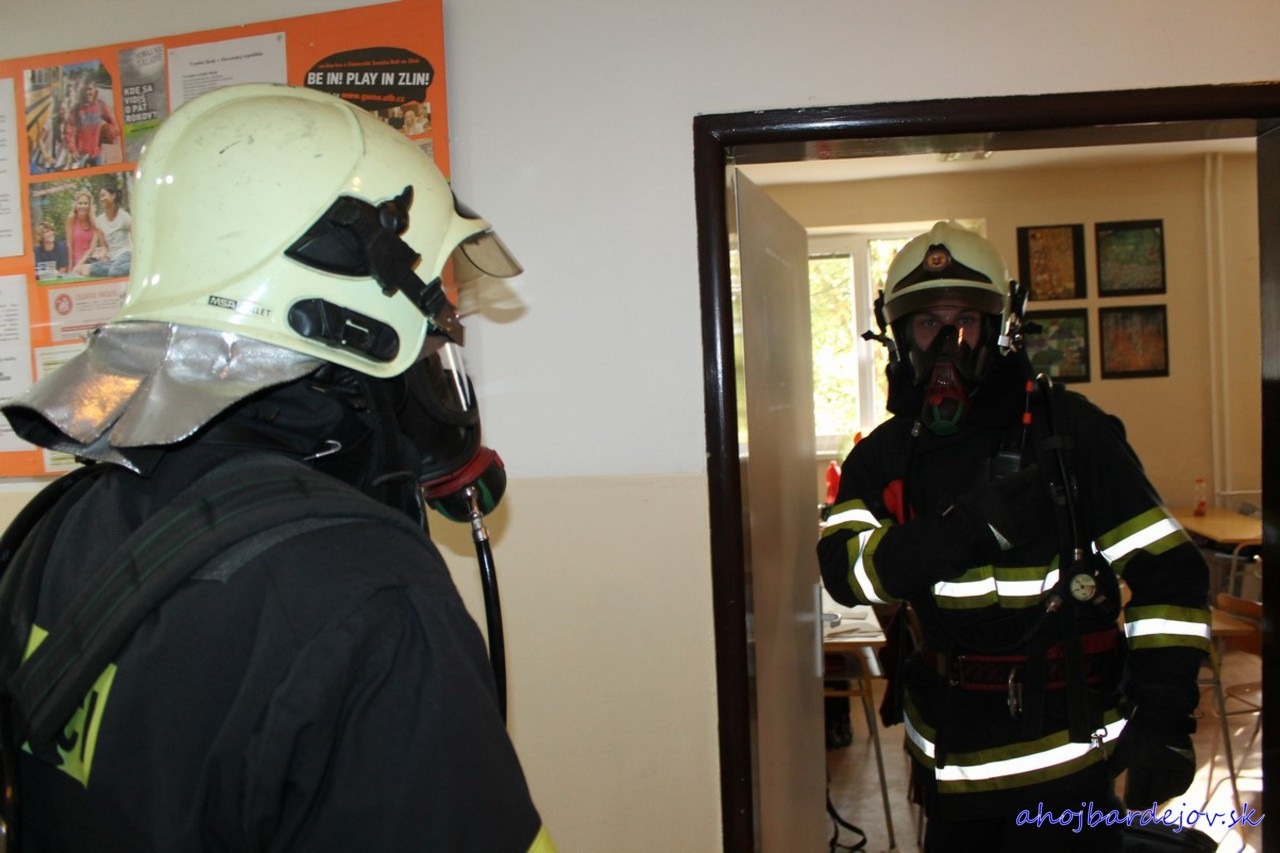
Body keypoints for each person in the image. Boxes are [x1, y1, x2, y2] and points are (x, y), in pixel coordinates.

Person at [0, 83, 552, 852]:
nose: (438, 364)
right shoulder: (375, 600)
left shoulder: (56, 530)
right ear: (356, 331)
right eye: (434, 332)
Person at [816, 221, 1209, 852]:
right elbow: (845, 572)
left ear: (1003, 327)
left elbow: (1170, 571)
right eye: (929, 322)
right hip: (951, 763)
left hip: (1070, 763)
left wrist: (1165, 714)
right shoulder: (884, 456)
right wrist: (962, 534)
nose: (948, 342)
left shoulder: (1070, 433)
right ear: (898, 333)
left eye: (966, 320)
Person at [87, 182, 131, 279]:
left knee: (114, 272)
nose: (101, 199)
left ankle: (137, 266)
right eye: (100, 196)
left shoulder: (124, 216)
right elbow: (104, 246)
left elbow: (135, 239)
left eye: (103, 195)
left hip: (126, 254)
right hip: (112, 258)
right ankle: (115, 268)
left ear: (113, 196)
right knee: (93, 268)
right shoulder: (100, 220)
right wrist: (102, 256)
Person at [73, 79, 119, 167]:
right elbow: (70, 129)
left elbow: (112, 121)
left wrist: (115, 134)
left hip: (97, 152)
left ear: (95, 90)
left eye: (90, 89)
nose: (87, 92)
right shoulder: (77, 108)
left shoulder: (101, 105)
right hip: (81, 153)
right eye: (85, 90)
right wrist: (73, 149)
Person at [64, 188, 104, 276]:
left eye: (85, 203)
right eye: (80, 203)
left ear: (89, 205)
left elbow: (92, 248)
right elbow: (69, 245)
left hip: (88, 260)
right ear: (76, 205)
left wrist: (80, 264)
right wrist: (70, 267)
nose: (83, 206)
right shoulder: (72, 218)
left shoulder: (94, 222)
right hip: (76, 261)